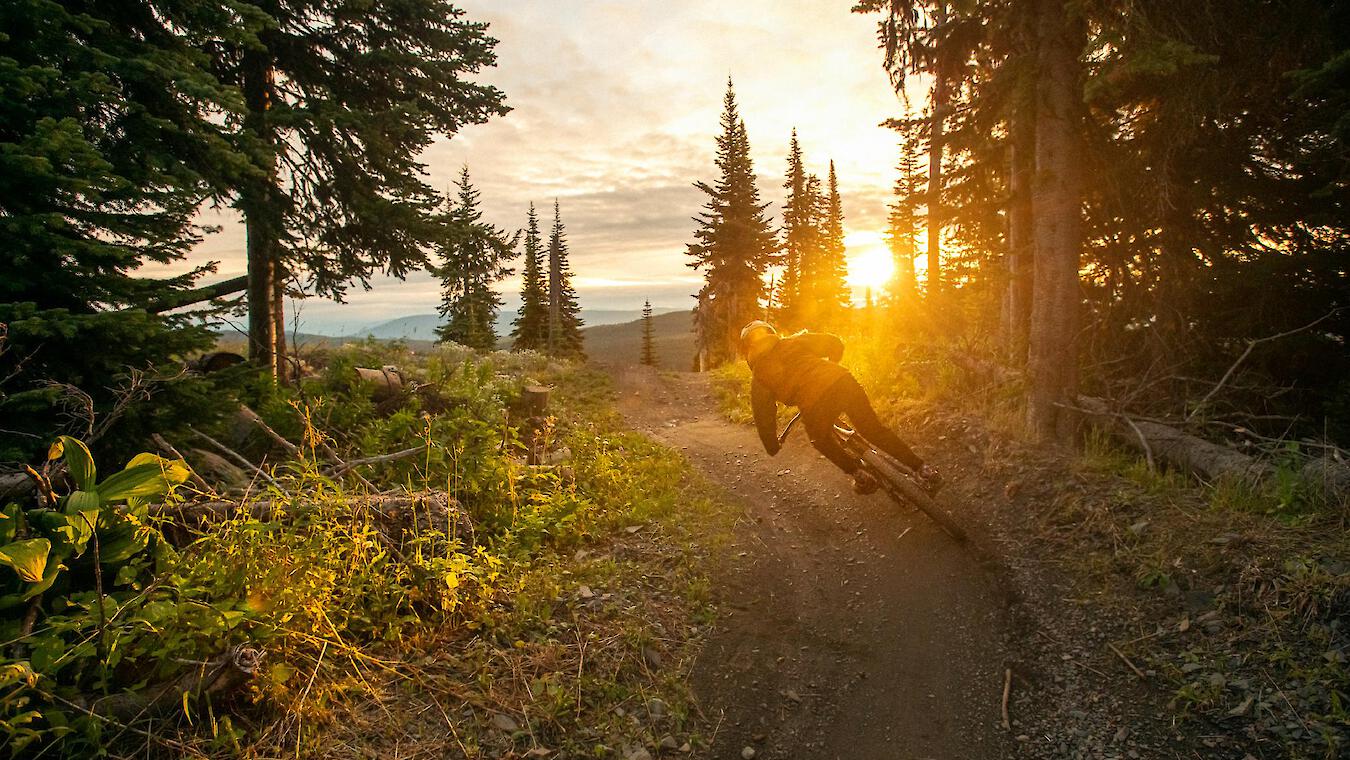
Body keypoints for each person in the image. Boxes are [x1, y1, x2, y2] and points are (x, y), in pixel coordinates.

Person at [739, 320, 942, 496]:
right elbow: (834, 343)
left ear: (748, 349)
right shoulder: (793, 341)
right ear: (771, 333)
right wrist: (832, 366)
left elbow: (763, 416)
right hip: (843, 381)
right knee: (873, 429)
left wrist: (772, 446)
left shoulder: (759, 377)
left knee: (821, 440)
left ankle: (860, 476)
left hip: (814, 403)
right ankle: (923, 469)